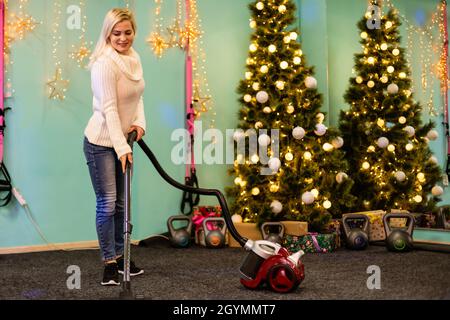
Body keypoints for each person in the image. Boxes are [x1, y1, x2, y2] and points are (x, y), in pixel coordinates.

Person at [83, 8, 146, 286]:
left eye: (128, 32)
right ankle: (109, 262)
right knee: (108, 204)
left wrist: (140, 125)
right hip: (101, 143)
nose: (123, 38)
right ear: (108, 33)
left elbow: (138, 96)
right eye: (116, 33)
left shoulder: (134, 58)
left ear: (134, 32)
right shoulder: (103, 64)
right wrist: (122, 148)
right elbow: (109, 109)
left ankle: (122, 257)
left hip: (124, 141)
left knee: (123, 204)